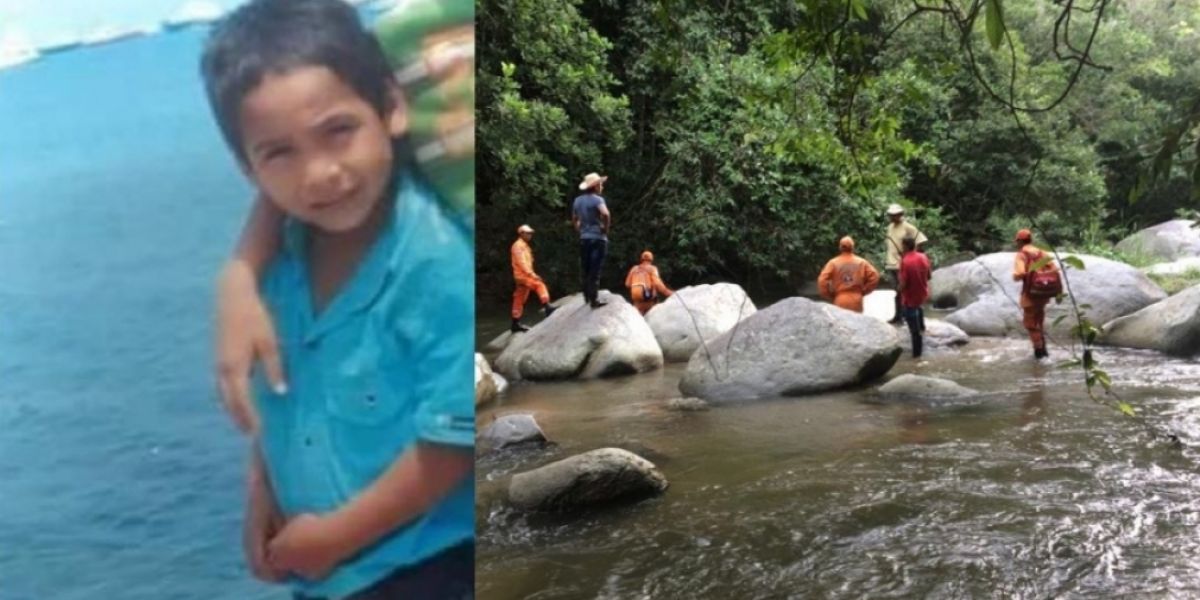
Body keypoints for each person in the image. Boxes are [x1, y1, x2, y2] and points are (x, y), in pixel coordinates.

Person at [201, 1, 473, 598]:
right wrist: (261, 495)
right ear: (248, 169)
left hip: (430, 565)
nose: (320, 172)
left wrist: (334, 538)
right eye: (280, 153)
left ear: (392, 107)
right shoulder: (281, 264)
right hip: (328, 573)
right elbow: (286, 400)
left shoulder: (433, 262)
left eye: (338, 132)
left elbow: (453, 443)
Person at [1012, 228, 1059, 359]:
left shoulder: (1021, 254)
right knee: (1039, 322)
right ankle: (1043, 349)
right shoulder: (1041, 252)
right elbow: (1054, 269)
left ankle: (1039, 353)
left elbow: (1019, 273)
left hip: (1030, 294)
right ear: (1031, 240)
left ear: (1020, 241)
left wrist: (1016, 277)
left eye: (1017, 242)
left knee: (1030, 324)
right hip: (1043, 294)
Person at [572, 172, 611, 308]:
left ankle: (586, 297)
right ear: (595, 186)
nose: (602, 187)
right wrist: (605, 229)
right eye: (600, 184)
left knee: (585, 268)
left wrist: (580, 230)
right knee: (595, 269)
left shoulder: (577, 201)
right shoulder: (597, 200)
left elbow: (575, 219)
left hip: (584, 238)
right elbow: (605, 214)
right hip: (598, 239)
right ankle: (594, 300)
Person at [884, 204, 928, 324]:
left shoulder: (908, 227)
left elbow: (920, 241)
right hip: (891, 263)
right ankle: (899, 316)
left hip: (903, 264)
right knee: (897, 292)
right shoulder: (889, 227)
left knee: (904, 291)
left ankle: (904, 317)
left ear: (900, 215)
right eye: (891, 215)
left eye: (894, 215)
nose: (892, 217)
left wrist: (910, 256)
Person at [817, 236, 880, 313]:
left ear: (840, 247)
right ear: (853, 247)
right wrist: (865, 291)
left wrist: (829, 295)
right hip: (856, 300)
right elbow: (874, 276)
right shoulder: (861, 262)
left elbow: (822, 280)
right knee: (856, 323)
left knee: (840, 324)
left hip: (840, 299)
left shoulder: (833, 263)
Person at [510, 224, 555, 332]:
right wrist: (532, 274)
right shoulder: (518, 246)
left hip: (522, 276)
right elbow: (522, 263)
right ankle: (547, 307)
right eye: (528, 233)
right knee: (539, 284)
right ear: (521, 234)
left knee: (519, 298)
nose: (530, 235)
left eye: (530, 233)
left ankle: (515, 323)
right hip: (523, 276)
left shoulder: (524, 246)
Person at [897, 237, 932, 358]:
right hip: (922, 294)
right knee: (918, 308)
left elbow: (903, 283)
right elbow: (928, 276)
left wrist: (899, 289)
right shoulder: (923, 257)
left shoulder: (905, 261)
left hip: (910, 297)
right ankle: (922, 327)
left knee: (913, 330)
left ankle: (917, 355)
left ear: (905, 246)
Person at [625, 251, 673, 315]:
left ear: (641, 259)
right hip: (649, 302)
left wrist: (638, 284)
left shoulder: (634, 268)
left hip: (636, 303)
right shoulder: (652, 268)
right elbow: (658, 285)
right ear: (651, 259)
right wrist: (670, 294)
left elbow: (627, 284)